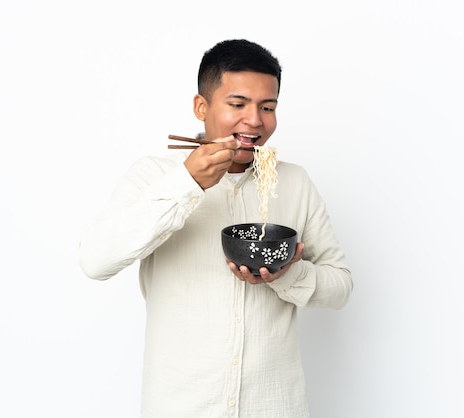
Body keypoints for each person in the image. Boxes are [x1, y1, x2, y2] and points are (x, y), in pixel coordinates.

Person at [78, 39, 353, 418]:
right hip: (181, 406)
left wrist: (288, 274)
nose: (255, 120)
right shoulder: (156, 176)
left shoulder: (294, 182)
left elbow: (341, 286)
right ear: (201, 107)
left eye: (268, 107)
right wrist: (187, 183)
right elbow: (95, 260)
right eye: (238, 105)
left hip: (274, 406)